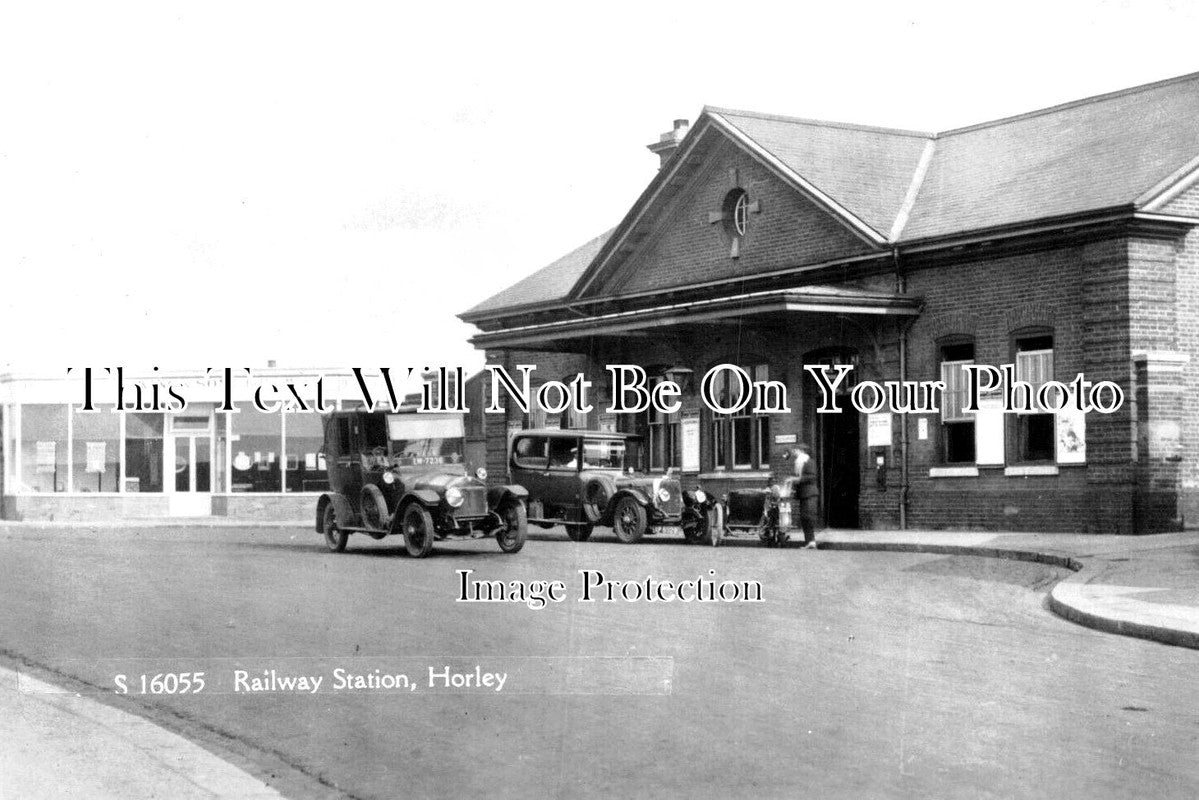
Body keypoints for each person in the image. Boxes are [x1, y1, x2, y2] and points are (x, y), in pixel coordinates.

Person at [789, 444, 819, 549]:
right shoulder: (799, 462)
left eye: (795, 450)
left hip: (809, 493)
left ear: (801, 450)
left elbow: (812, 476)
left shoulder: (808, 462)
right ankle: (809, 542)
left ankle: (811, 541)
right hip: (803, 494)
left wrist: (796, 479)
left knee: (808, 517)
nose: (794, 453)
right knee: (804, 518)